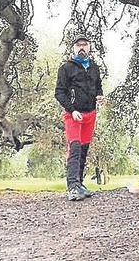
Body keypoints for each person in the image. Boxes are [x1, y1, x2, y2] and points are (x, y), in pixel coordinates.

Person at [54, 35, 105, 201]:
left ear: (89, 47)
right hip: (73, 115)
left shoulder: (94, 68)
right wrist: (71, 109)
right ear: (73, 48)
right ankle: (72, 187)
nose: (82, 48)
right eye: (78, 45)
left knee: (83, 150)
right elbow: (59, 92)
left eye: (85, 45)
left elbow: (98, 87)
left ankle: (80, 184)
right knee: (74, 149)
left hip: (90, 114)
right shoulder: (66, 68)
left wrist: (100, 96)